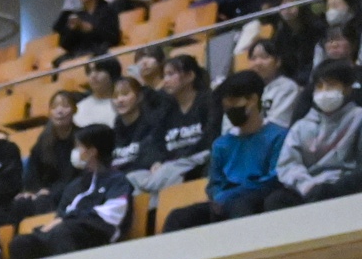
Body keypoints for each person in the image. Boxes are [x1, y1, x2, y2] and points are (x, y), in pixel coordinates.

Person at [163, 69, 287, 227]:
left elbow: (274, 178)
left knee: (241, 206)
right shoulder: (222, 144)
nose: (229, 109)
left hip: (258, 198)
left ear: (253, 100)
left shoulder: (278, 136)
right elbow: (214, 184)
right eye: (226, 105)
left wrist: (233, 194)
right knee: (178, 217)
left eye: (234, 102)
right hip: (225, 201)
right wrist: (220, 197)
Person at [9, 125, 134, 259]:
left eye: (79, 147)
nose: (75, 152)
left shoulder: (117, 181)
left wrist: (68, 219)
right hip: (65, 231)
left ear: (92, 152)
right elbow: (60, 215)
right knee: (21, 243)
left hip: (97, 234)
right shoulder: (75, 185)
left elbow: (112, 214)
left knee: (62, 233)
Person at [267, 59, 362, 205]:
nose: (324, 91)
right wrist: (307, 186)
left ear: (348, 88)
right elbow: (288, 164)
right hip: (308, 188)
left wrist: (335, 188)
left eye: (331, 85)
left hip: (345, 187)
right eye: (319, 86)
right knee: (276, 200)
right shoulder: (301, 126)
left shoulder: (358, 117)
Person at [132, 55, 220, 194]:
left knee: (167, 173)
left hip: (199, 159)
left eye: (171, 74)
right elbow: (155, 140)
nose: (165, 80)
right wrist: (157, 161)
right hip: (171, 164)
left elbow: (211, 137)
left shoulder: (208, 102)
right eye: (164, 76)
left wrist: (177, 159)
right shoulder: (167, 108)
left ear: (190, 76)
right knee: (132, 177)